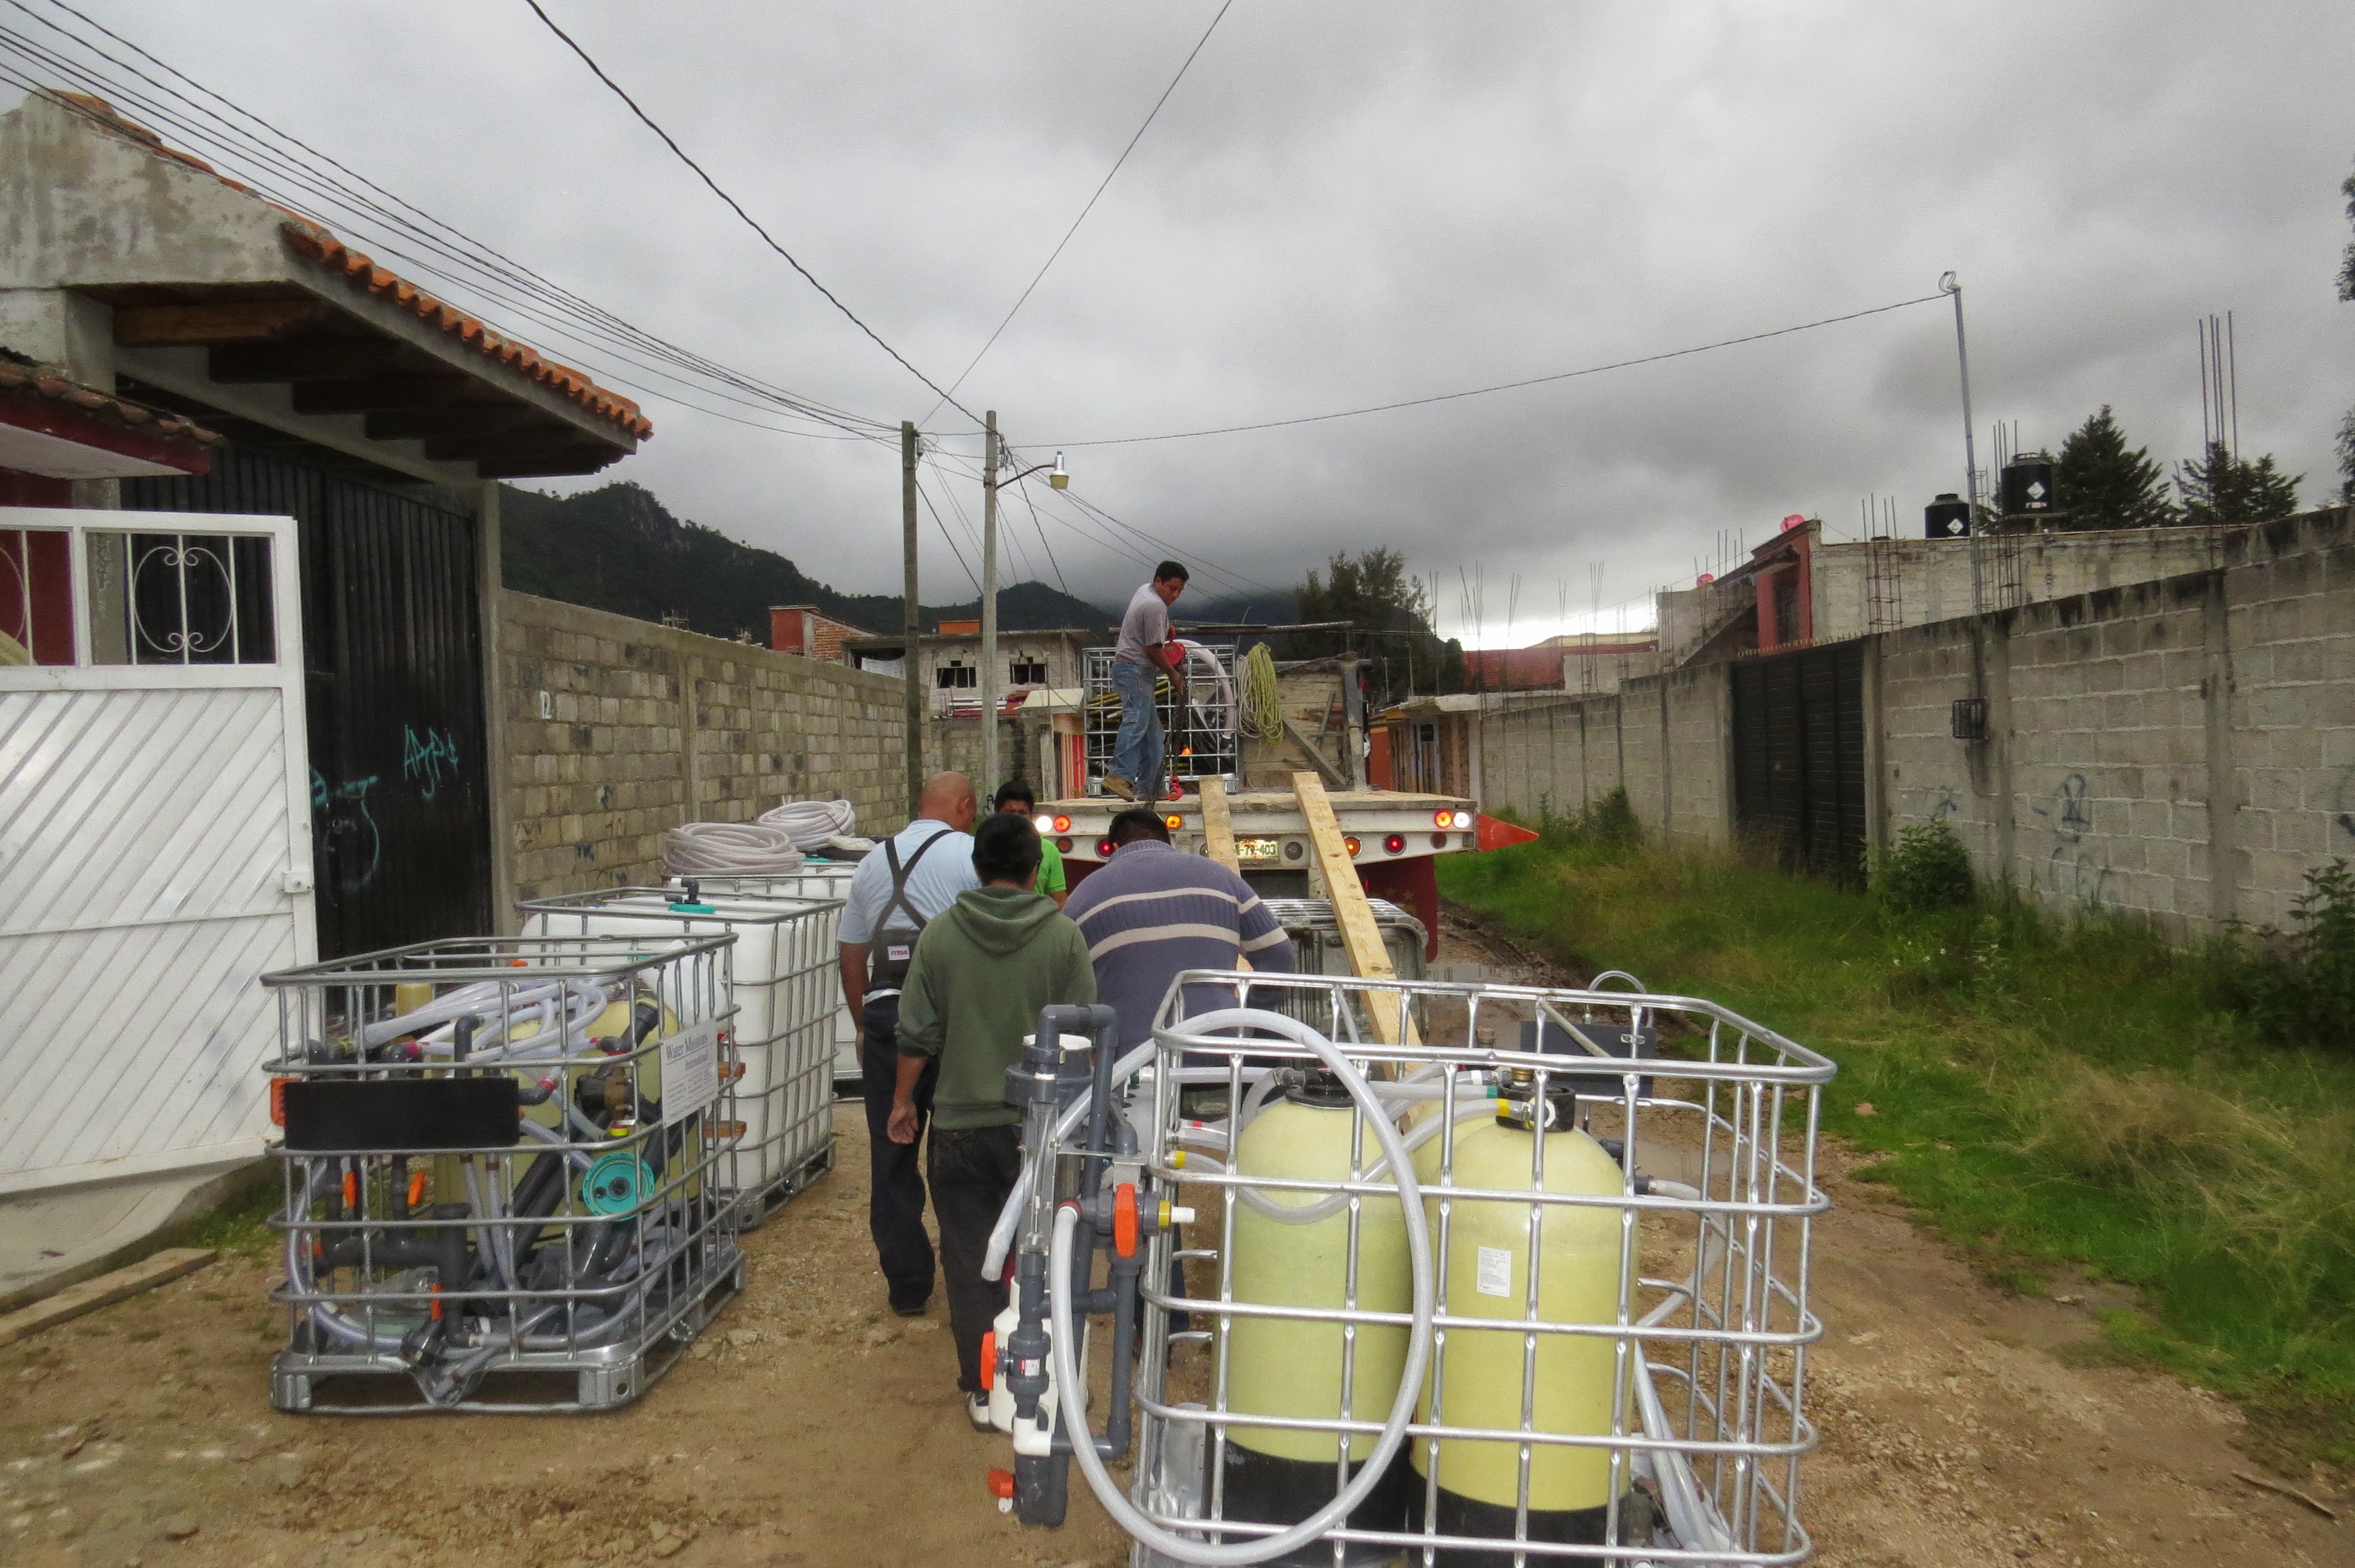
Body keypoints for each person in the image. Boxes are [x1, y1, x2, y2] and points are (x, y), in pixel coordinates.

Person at [890, 812, 1096, 1427]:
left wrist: (904, 1102)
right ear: (1037, 872)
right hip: (1044, 1129)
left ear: (978, 869)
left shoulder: (940, 936)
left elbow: (916, 1033)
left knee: (967, 1256)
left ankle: (984, 1393)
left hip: (960, 1126)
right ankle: (1048, 1389)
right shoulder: (1063, 937)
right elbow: (1086, 1026)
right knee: (1050, 1253)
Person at [837, 772, 980, 1317]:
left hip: (885, 1020)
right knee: (959, 1144)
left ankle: (908, 1286)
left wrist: (863, 1024)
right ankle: (969, 1273)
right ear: (964, 807)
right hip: (953, 1022)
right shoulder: (969, 855)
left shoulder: (874, 862)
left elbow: (852, 957)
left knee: (891, 1153)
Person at [1063, 805, 1296, 1049]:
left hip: (1132, 1063)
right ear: (1167, 841)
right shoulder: (1220, 877)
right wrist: (1252, 1014)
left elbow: (1068, 984)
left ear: (1116, 848)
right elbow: (1279, 952)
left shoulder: (1084, 896)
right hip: (1219, 1050)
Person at [1102, 560, 1189, 803]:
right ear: (1159, 581)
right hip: (1136, 669)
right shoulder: (1155, 606)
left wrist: (1164, 627)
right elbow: (1153, 649)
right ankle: (1118, 775)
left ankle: (1151, 786)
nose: (1175, 595)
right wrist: (1173, 674)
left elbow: (1148, 631)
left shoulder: (1145, 592)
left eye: (1180, 591)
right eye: (1172, 588)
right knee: (1137, 719)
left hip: (1129, 668)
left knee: (1153, 732)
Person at [991, 779, 1067, 908]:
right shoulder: (987, 847)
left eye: (1023, 813)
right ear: (997, 813)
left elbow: (1060, 902)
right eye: (1010, 812)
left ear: (1031, 815)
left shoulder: (1048, 850)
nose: (1017, 818)